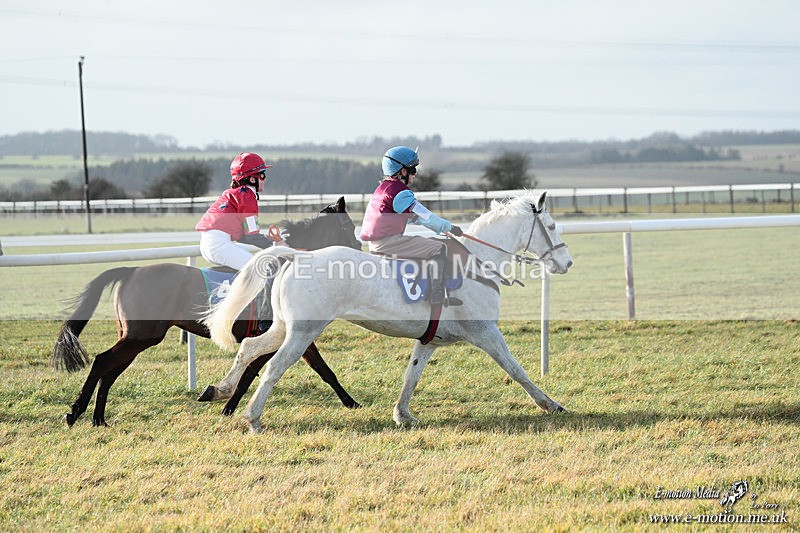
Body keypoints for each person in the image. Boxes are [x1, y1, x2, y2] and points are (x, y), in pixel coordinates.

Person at [360, 146, 463, 307]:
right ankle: (436, 294)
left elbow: (410, 217)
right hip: (389, 242)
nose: (415, 173)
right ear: (402, 171)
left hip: (376, 242)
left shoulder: (383, 188)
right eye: (412, 169)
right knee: (438, 248)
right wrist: (448, 227)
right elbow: (425, 217)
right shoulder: (400, 192)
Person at [196, 152, 274, 270]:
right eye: (262, 175)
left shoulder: (235, 193)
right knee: (261, 270)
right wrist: (277, 245)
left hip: (207, 246)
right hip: (219, 246)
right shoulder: (247, 195)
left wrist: (265, 238)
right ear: (252, 179)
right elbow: (252, 237)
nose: (265, 179)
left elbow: (245, 236)